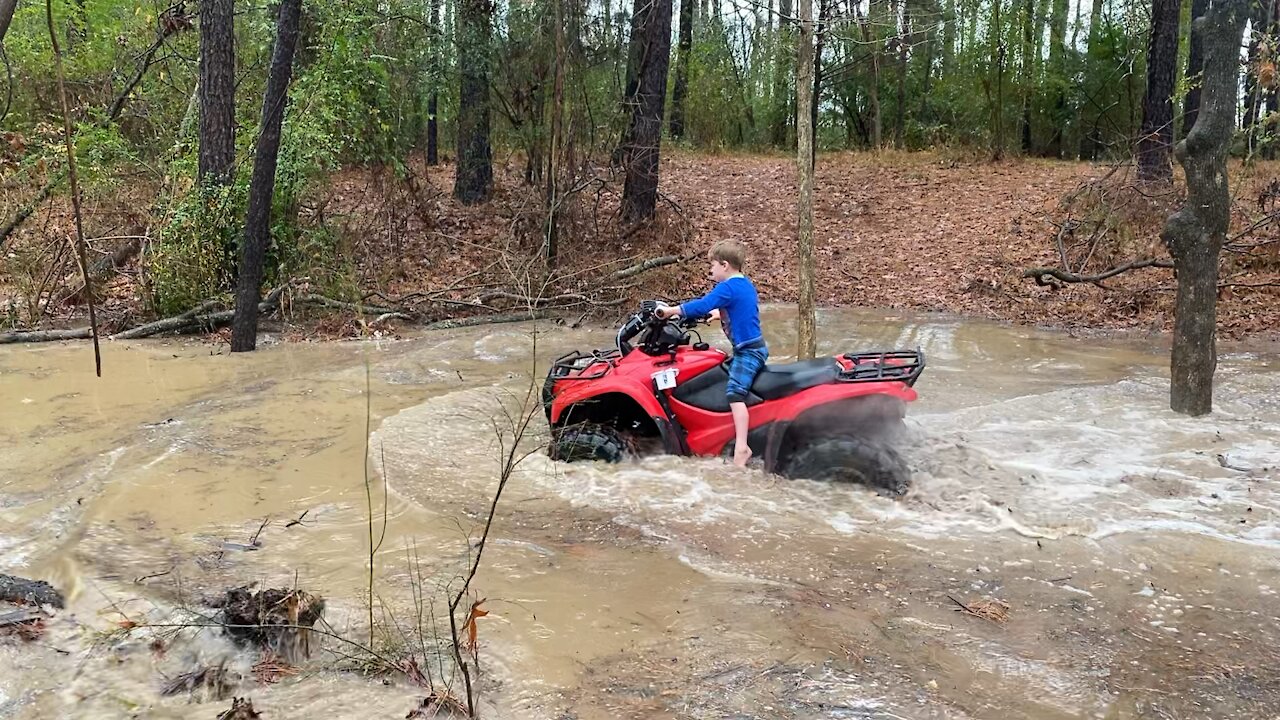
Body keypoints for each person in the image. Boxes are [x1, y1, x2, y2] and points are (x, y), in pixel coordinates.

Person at [656, 240, 767, 468]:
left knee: (735, 393)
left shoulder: (727, 287)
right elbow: (739, 308)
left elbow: (702, 305)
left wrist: (670, 311)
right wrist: (719, 314)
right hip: (753, 346)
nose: (711, 271)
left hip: (748, 352)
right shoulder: (744, 284)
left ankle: (742, 448)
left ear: (725, 265)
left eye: (713, 266)